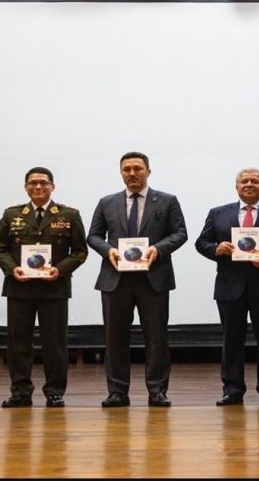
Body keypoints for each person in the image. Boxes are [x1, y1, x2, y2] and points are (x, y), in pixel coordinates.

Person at [87, 152, 188, 407]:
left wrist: (159, 249)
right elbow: (94, 236)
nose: (132, 173)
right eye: (127, 169)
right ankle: (117, 392)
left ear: (148, 171)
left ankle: (157, 391)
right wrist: (108, 250)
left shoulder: (167, 201)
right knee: (114, 338)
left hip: (153, 279)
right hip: (115, 279)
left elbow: (180, 233)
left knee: (156, 338)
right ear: (121, 172)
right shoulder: (106, 202)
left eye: (137, 169)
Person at [194, 168, 259, 406]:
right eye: (244, 181)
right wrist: (215, 249)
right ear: (237, 186)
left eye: (255, 181)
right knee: (231, 341)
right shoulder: (218, 213)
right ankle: (232, 390)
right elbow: (201, 242)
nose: (249, 184)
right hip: (229, 287)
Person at [0, 167, 88, 408]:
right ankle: (20, 392)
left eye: (43, 183)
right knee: (17, 343)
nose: (38, 187)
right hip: (19, 288)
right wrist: (12, 269)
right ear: (26, 187)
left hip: (54, 289)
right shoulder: (12, 214)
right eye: (32, 183)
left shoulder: (69, 214)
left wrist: (60, 269)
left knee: (54, 344)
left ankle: (55, 391)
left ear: (52, 186)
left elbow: (80, 251)